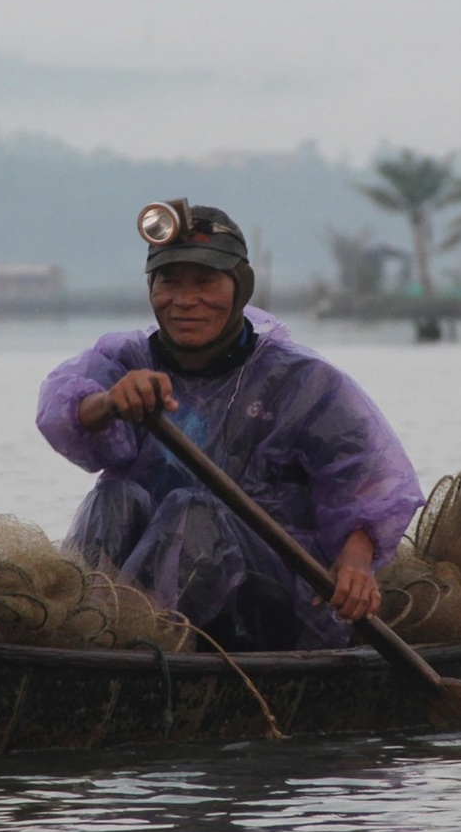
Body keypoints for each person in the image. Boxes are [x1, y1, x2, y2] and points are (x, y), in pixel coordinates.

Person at [36, 201, 424, 651]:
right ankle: (89, 636)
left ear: (239, 288)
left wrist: (357, 563)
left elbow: (369, 482)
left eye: (205, 282)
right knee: (114, 495)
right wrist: (109, 402)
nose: (184, 301)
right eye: (169, 283)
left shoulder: (302, 381)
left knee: (194, 510)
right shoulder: (127, 361)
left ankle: (135, 645)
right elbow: (64, 410)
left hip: (269, 596)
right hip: (139, 582)